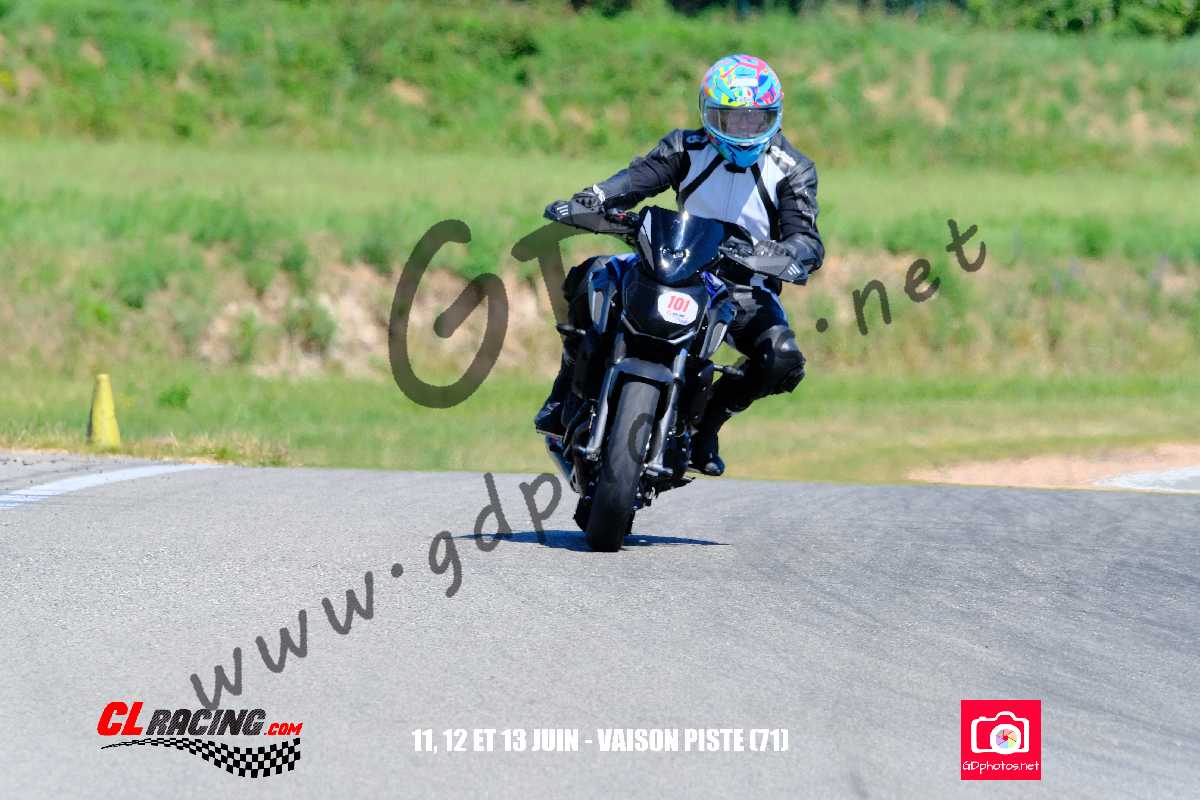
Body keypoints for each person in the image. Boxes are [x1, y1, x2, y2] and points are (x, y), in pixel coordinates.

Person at [536, 53, 824, 476]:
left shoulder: (794, 170)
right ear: (708, 114)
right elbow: (637, 179)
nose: (743, 130)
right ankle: (565, 394)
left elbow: (807, 237)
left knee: (782, 357)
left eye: (755, 119)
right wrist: (594, 197)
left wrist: (783, 255)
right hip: (675, 261)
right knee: (590, 277)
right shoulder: (686, 146)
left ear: (775, 117)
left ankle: (708, 424)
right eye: (730, 118)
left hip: (742, 284)